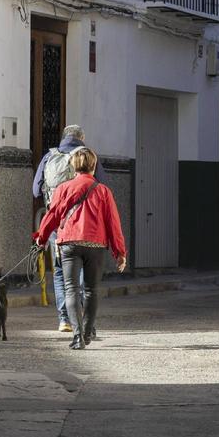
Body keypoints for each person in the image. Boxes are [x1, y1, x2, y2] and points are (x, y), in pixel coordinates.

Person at [34, 147, 126, 350]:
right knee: (92, 290)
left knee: (71, 289)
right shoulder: (103, 191)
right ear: (93, 166)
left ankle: (77, 337)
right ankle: (87, 332)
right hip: (95, 245)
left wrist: (40, 239)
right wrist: (119, 252)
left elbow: (52, 215)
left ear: (73, 166)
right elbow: (113, 223)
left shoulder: (63, 188)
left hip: (69, 244)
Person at [33, 124, 101, 332]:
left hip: (58, 228)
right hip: (87, 228)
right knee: (84, 275)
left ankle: (65, 318)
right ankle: (80, 315)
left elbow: (36, 191)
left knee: (61, 273)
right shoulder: (89, 157)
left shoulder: (49, 157)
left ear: (63, 137)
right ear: (82, 137)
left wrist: (42, 236)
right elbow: (102, 186)